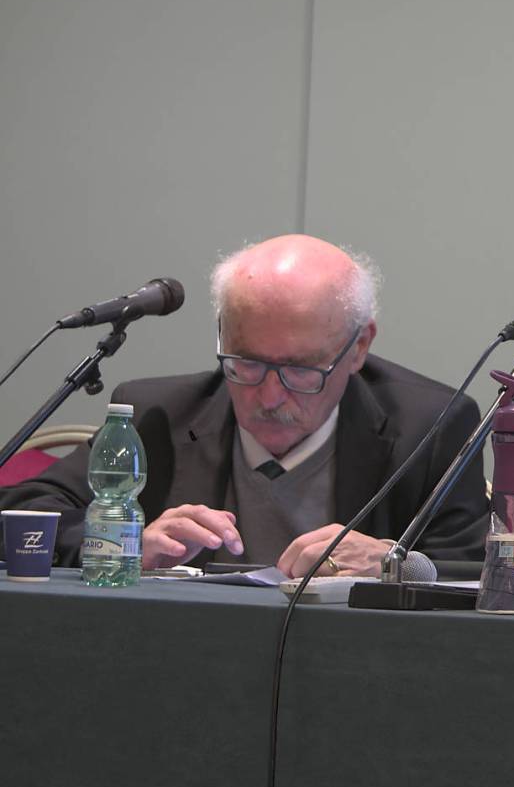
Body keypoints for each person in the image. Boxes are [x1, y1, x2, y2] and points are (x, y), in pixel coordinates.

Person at [5, 234, 488, 576]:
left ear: (359, 347)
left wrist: (395, 564)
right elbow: (23, 511)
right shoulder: (158, 415)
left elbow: (477, 570)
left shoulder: (430, 427)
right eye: (247, 363)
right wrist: (124, 545)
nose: (270, 396)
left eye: (301, 369)